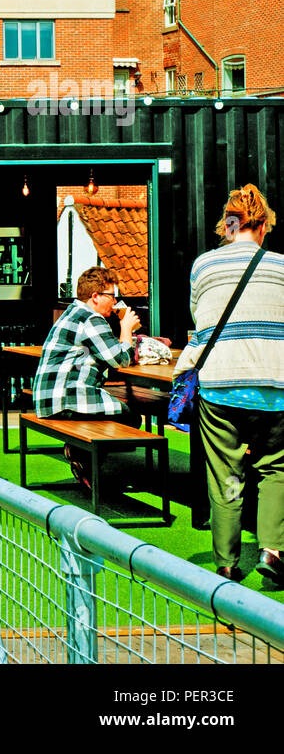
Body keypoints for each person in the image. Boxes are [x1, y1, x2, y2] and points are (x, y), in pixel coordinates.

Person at [173, 185, 284, 582]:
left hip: (220, 383)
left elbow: (199, 317)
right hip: (276, 385)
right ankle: (271, 551)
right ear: (264, 226)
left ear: (227, 225)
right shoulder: (281, 267)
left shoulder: (203, 266)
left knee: (226, 474)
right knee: (277, 468)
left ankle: (226, 562)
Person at [32, 266, 142, 487]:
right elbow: (119, 359)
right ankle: (84, 458)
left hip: (48, 398)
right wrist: (126, 329)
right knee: (132, 418)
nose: (115, 302)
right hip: (66, 398)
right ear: (95, 296)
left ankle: (85, 460)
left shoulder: (73, 312)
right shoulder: (91, 319)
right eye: (112, 296)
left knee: (123, 410)